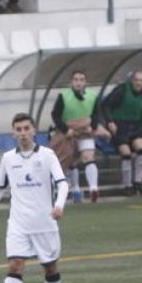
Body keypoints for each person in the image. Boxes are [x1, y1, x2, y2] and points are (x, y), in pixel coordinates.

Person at [0, 113, 70, 283]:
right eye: (18, 129)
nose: (22, 133)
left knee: (50, 267)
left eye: (26, 128)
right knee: (15, 264)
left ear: (33, 130)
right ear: (13, 132)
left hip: (44, 223)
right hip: (18, 223)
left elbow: (62, 183)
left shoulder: (47, 155)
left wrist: (59, 206)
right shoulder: (8, 158)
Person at [99, 70, 142, 197]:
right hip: (119, 127)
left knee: (141, 148)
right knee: (126, 152)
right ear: (132, 81)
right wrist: (110, 121)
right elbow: (105, 105)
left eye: (141, 80)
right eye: (136, 80)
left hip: (135, 127)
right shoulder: (121, 90)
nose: (139, 83)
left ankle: (138, 181)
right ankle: (127, 185)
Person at [50, 70, 108, 203]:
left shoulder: (93, 96)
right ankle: (75, 190)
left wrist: (92, 126)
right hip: (68, 132)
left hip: (85, 131)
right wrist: (66, 130)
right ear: (71, 82)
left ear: (85, 82)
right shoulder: (64, 96)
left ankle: (93, 188)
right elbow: (55, 115)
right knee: (70, 160)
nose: (79, 82)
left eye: (81, 79)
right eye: (76, 79)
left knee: (88, 156)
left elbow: (96, 114)